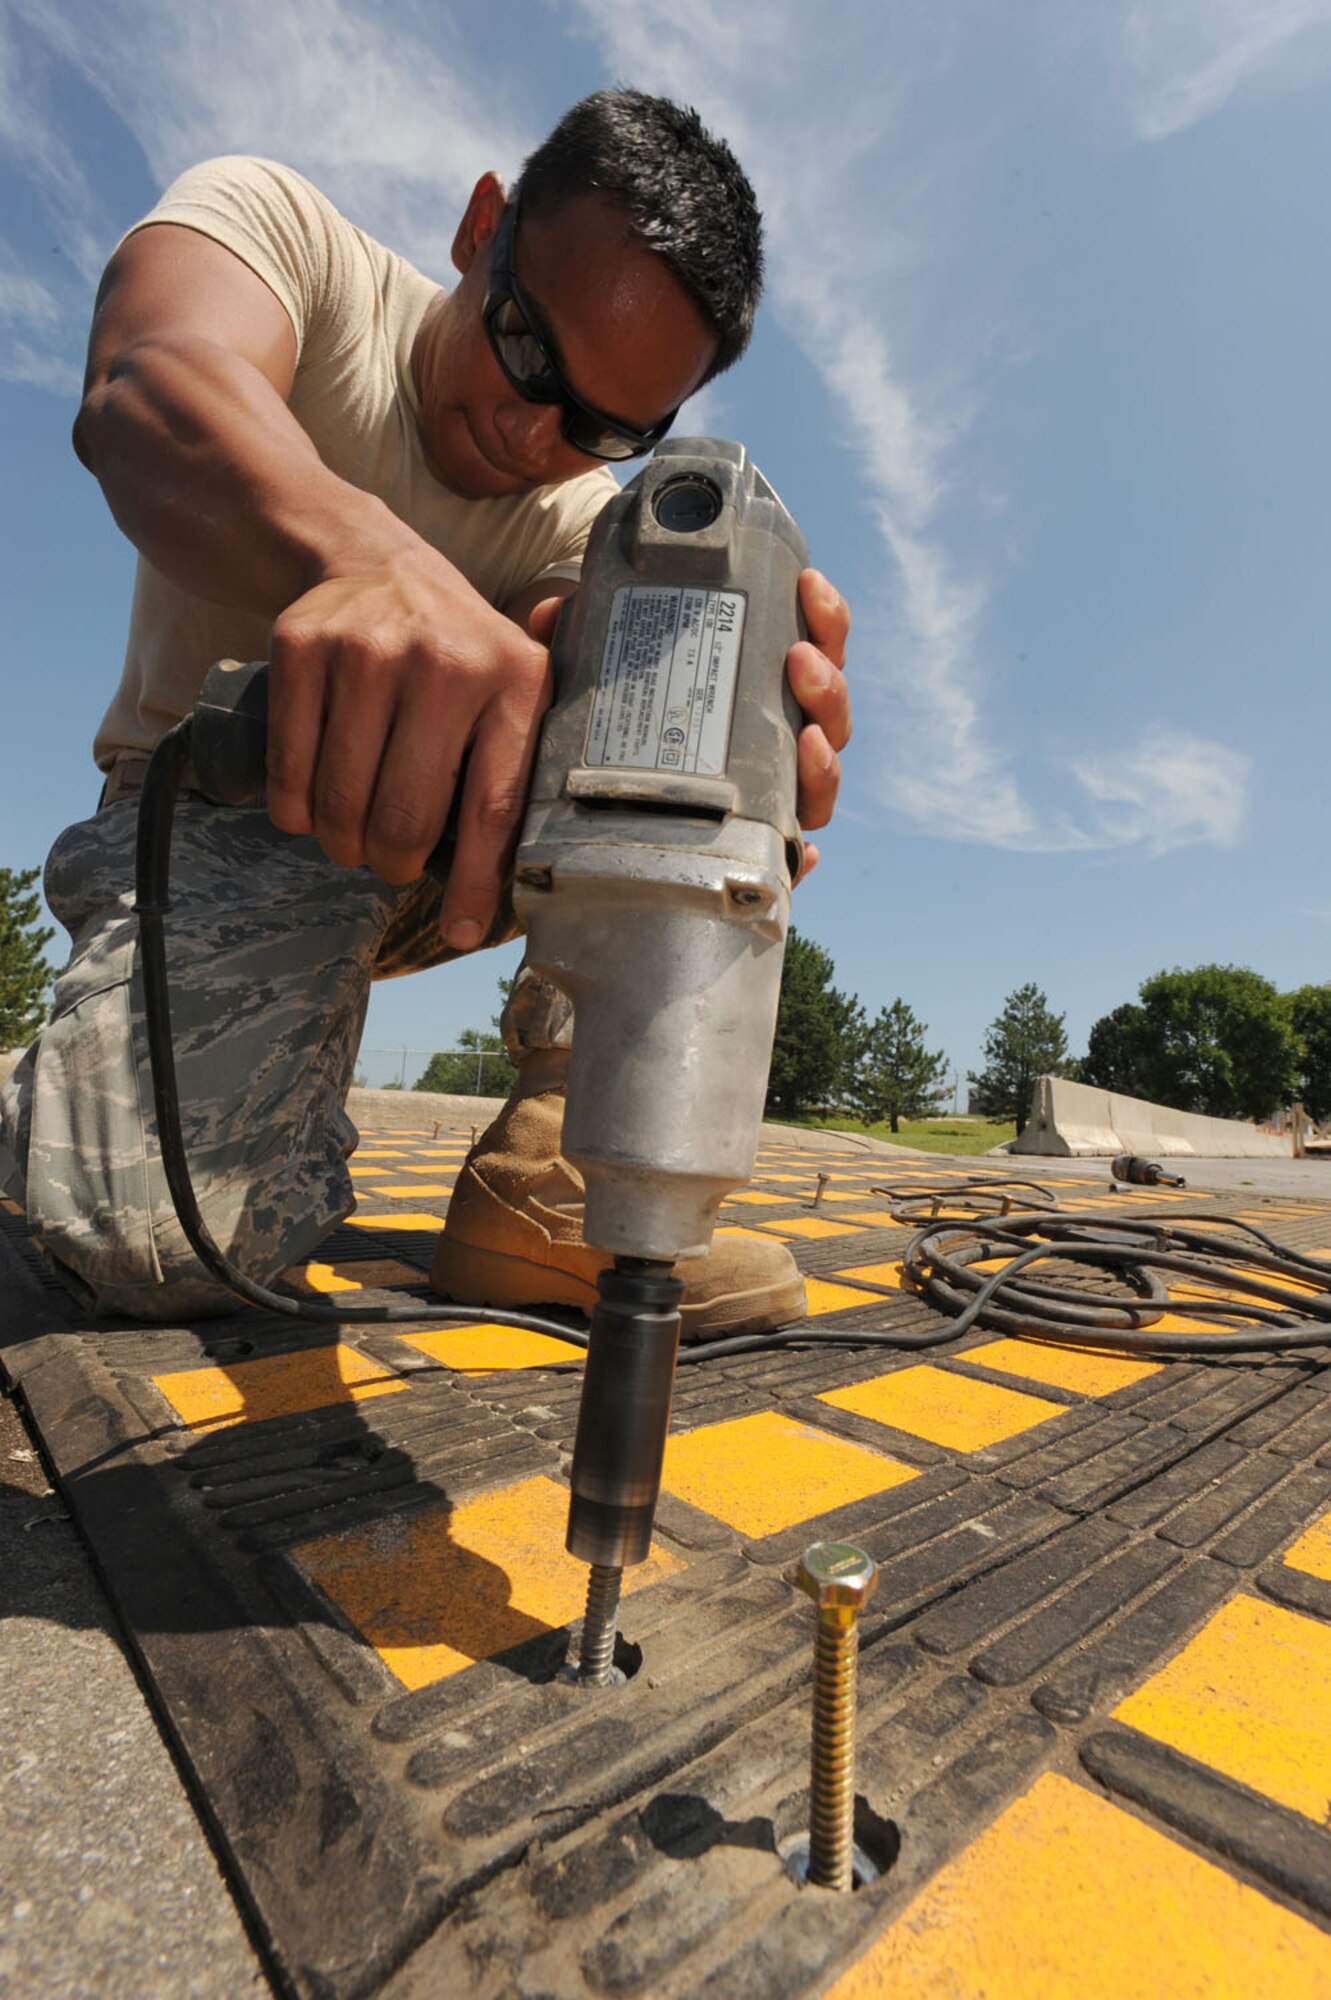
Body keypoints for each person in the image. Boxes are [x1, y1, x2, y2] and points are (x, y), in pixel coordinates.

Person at [0, 88, 851, 1337]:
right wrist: (361, 559)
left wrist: (749, 749)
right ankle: (76, 1078)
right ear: (481, 227)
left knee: (713, 719)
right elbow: (148, 384)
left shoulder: (582, 525)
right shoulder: (289, 239)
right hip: (209, 815)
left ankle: (548, 1178)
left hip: (440, 841)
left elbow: (602, 666)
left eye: (604, 426)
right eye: (522, 347)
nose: (532, 430)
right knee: (149, 1240)